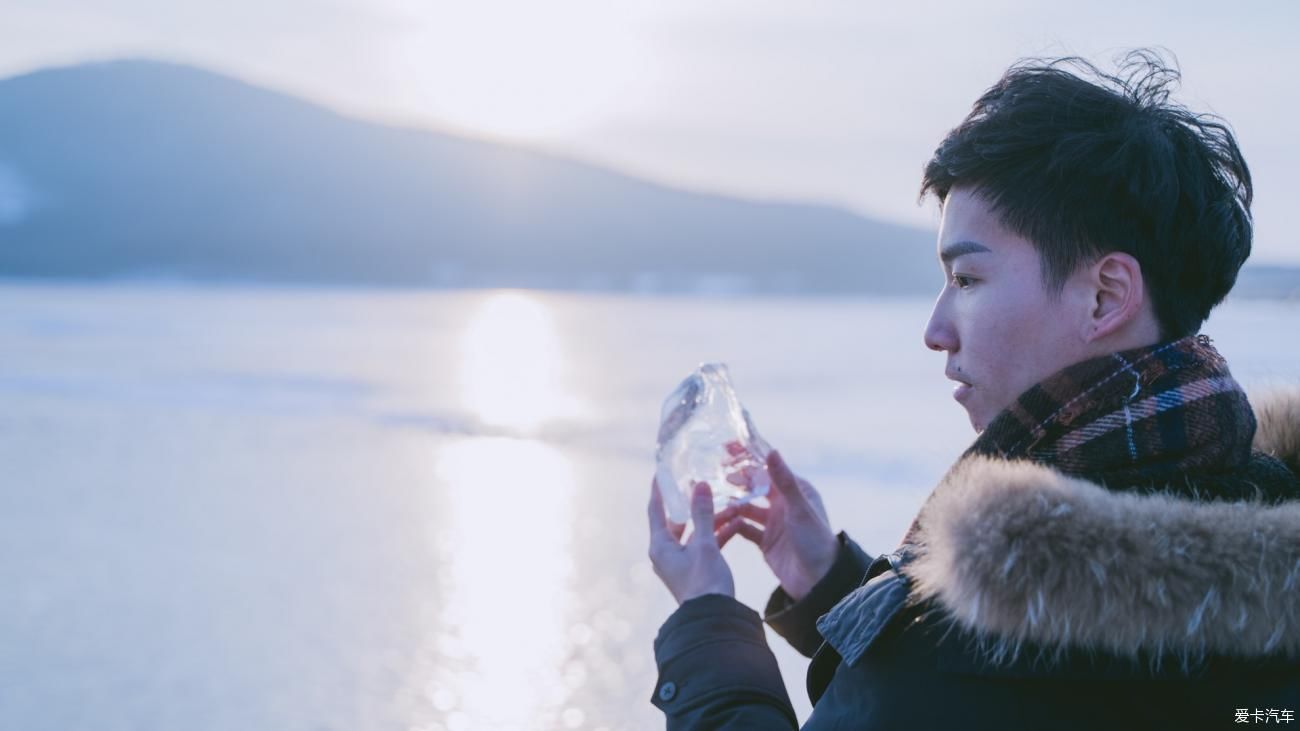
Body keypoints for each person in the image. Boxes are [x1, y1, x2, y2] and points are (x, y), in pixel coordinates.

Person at [646, 51, 1300, 729]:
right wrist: (828, 581)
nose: (936, 330)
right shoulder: (1263, 538)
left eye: (967, 280)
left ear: (1105, 295)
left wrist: (709, 623)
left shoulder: (999, 629)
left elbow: (958, 689)